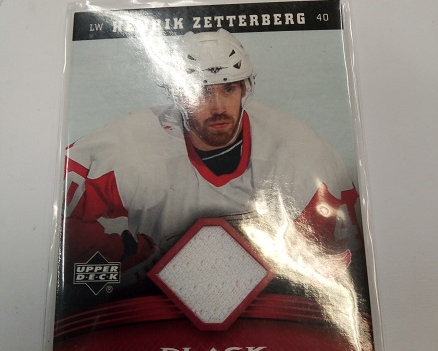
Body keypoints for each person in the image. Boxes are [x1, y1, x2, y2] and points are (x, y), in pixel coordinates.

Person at [63, 29, 363, 298]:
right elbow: (56, 211)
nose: (218, 107)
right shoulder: (134, 142)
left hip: (268, 306)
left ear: (244, 89)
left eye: (228, 89)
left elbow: (342, 254)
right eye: (203, 91)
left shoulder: (297, 148)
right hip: (160, 305)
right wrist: (126, 257)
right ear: (177, 94)